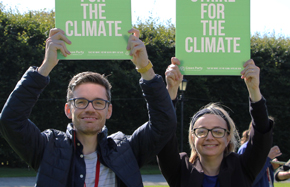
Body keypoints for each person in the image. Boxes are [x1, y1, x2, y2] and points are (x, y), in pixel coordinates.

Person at [0, 28, 176, 187]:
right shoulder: (49, 149)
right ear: (68, 110)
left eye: (99, 102)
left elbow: (164, 124)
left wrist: (145, 68)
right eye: (81, 102)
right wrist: (46, 67)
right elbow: (11, 120)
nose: (90, 109)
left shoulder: (126, 151)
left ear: (109, 111)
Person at [157, 57, 273, 187]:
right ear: (192, 137)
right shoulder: (180, 170)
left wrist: (254, 90)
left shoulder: (242, 168)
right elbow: (164, 135)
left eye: (218, 131)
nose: (209, 137)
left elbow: (262, 134)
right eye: (202, 131)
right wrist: (171, 90)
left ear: (228, 137)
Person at [238, 121, 281, 187]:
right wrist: (267, 158)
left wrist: (271, 167)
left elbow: (264, 177)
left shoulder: (263, 149)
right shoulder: (245, 149)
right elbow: (247, 181)